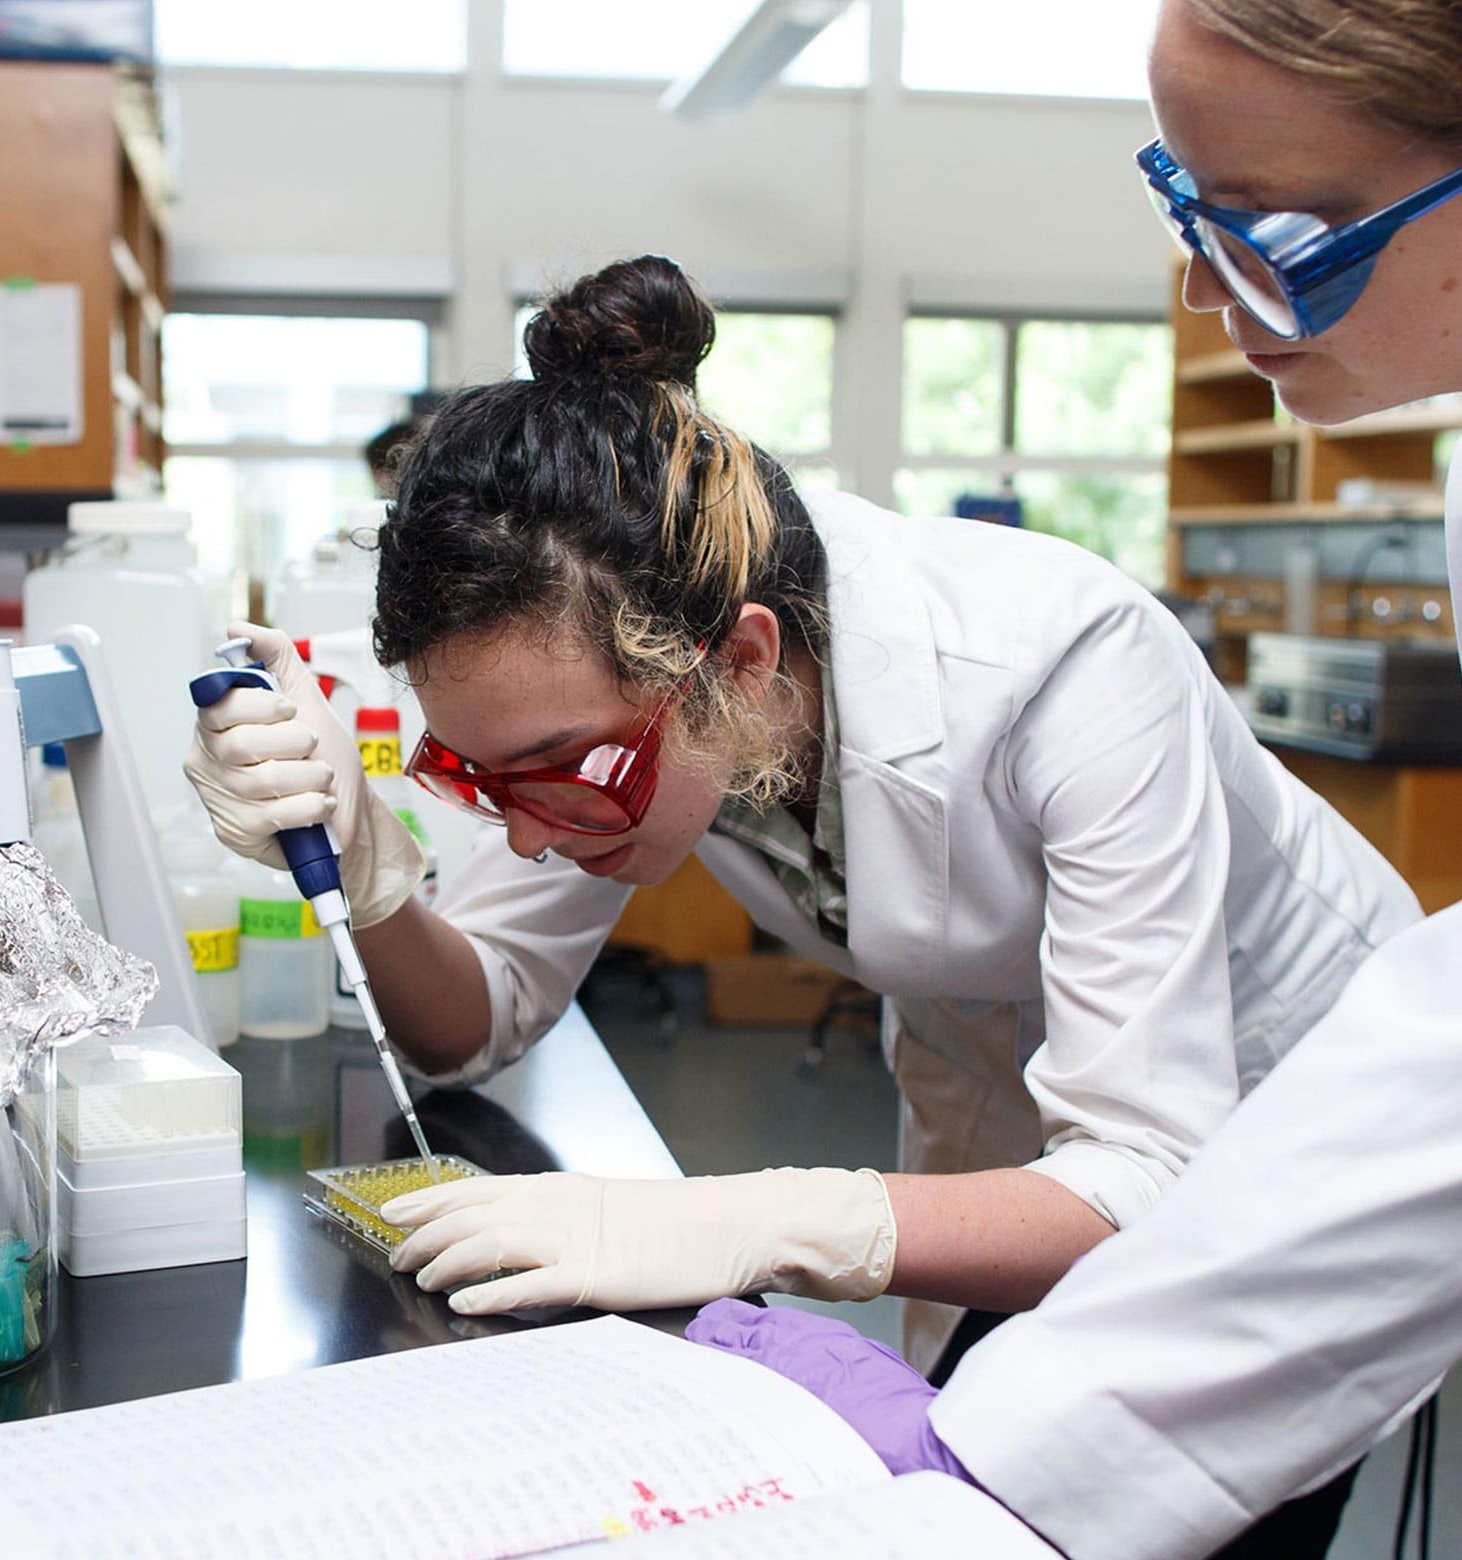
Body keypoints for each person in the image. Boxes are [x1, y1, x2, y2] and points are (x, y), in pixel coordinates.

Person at [182, 253, 1420, 1385]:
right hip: (1004, 1081)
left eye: (555, 771)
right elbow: (472, 1016)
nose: (521, 833)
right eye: (478, 776)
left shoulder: (1066, 665)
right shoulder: (639, 688)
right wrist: (363, 862)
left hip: (1288, 1083)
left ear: (745, 662)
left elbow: (1150, 1175)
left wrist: (736, 1220)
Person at [692, 2, 1462, 1556]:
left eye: (1283, 229)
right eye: (1187, 209)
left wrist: (1015, 1451)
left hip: (1295, 1128)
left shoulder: (1068, 657)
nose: (1200, 289)